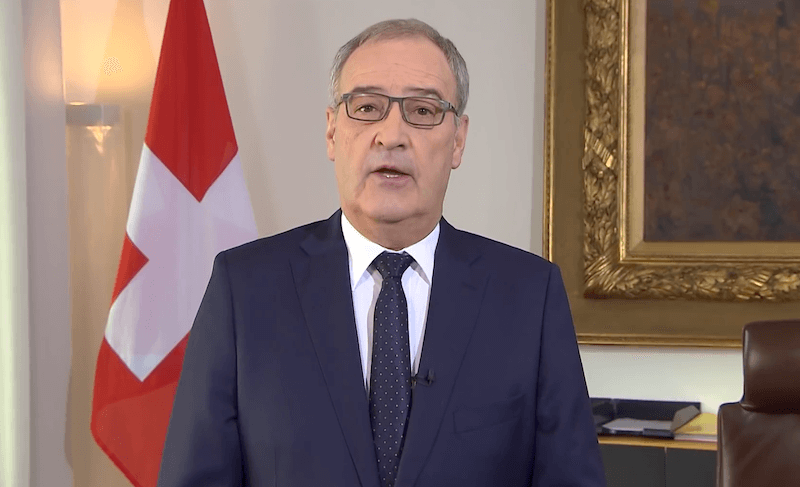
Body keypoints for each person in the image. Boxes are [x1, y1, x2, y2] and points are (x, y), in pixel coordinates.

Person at [158, 18, 605, 487]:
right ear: (332, 132)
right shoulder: (245, 289)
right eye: (367, 107)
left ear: (458, 139)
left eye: (423, 110)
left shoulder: (529, 297)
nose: (391, 135)